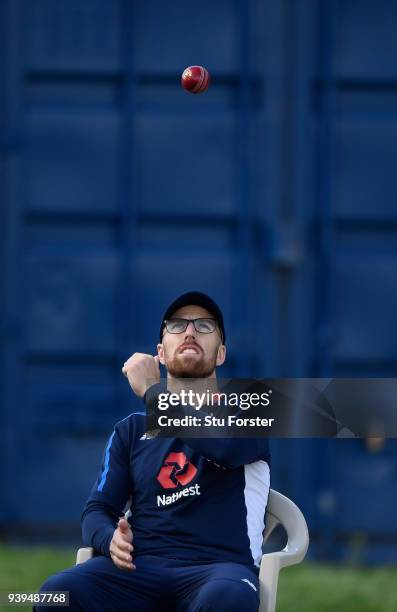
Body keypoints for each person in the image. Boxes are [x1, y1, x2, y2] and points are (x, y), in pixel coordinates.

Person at [35, 291, 271, 612]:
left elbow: (226, 448)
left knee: (226, 600)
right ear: (160, 353)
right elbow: (97, 511)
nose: (189, 332)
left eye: (204, 326)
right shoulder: (131, 430)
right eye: (177, 326)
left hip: (219, 569)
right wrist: (109, 540)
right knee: (55, 594)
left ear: (221, 354)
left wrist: (152, 392)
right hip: (139, 570)